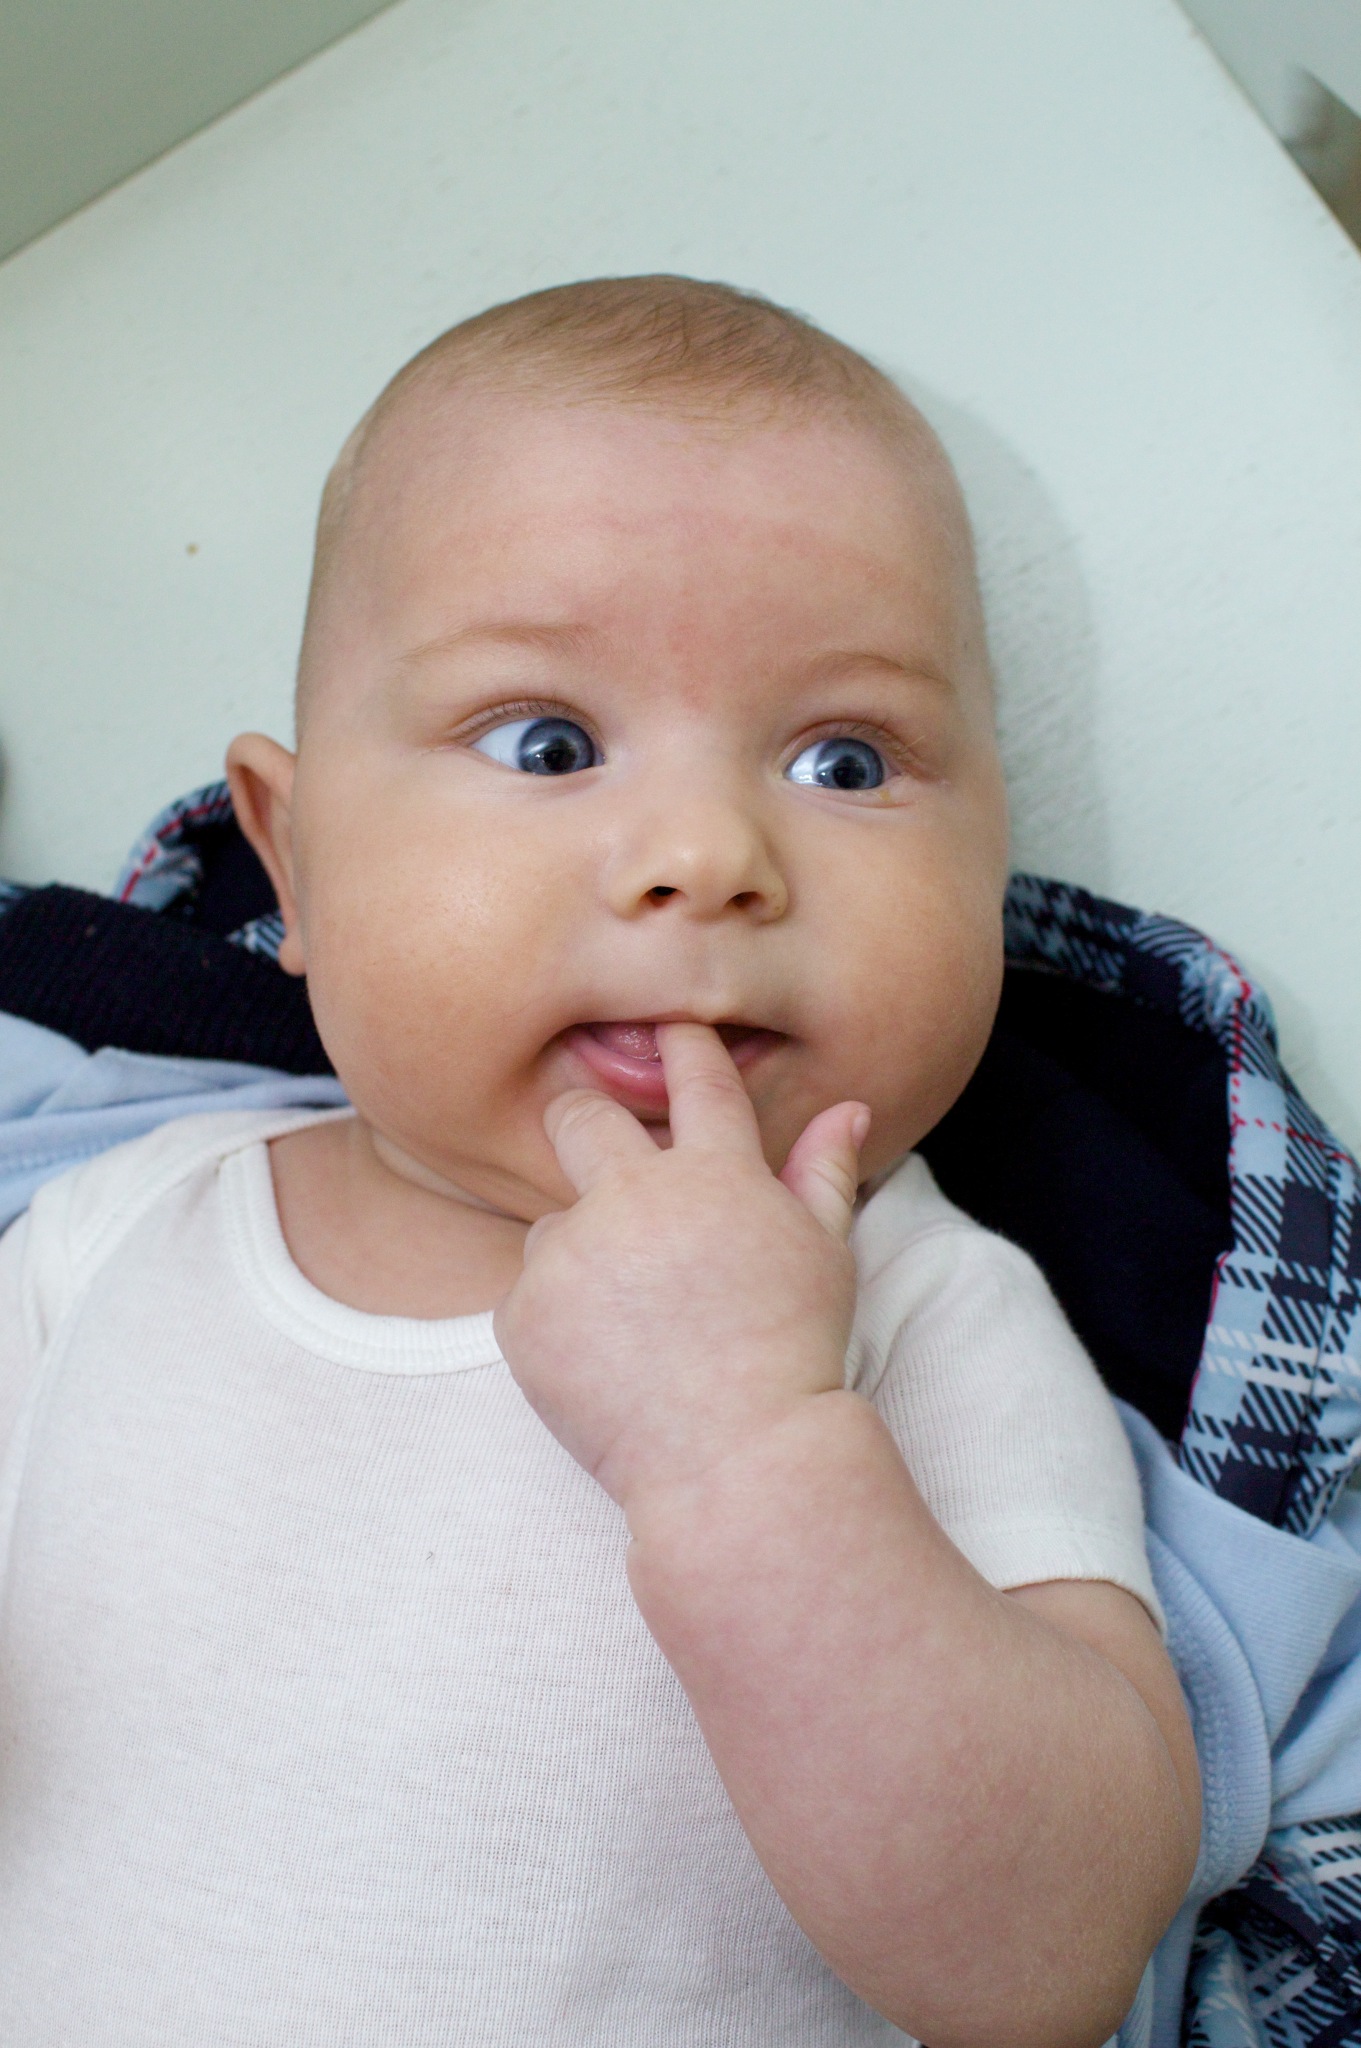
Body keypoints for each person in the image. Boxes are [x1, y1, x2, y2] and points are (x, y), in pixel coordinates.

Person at [0, 276, 1200, 2047]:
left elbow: (1049, 1962)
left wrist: (750, 1449)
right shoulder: (108, 1236)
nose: (705, 854)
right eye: (547, 743)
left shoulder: (911, 1307)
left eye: (845, 760)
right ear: (297, 862)